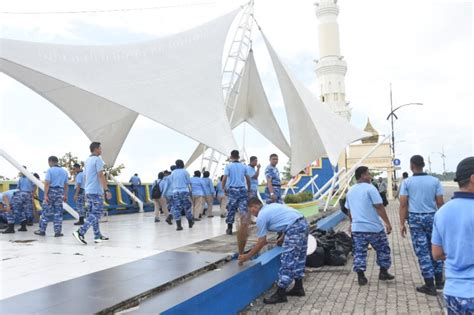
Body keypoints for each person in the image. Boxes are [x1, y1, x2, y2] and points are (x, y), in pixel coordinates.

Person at [238, 198, 309, 304]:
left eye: (251, 210)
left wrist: (246, 256)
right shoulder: (272, 206)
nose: (251, 213)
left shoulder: (261, 216)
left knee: (288, 260)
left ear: (255, 206)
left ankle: (280, 294)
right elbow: (288, 218)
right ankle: (298, 288)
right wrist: (283, 236)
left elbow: (261, 242)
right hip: (303, 223)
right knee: (299, 258)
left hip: (294, 229)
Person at [432, 157, 474, 314]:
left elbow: (436, 254)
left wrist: (458, 254)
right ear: (473, 178)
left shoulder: (442, 212)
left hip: (453, 293)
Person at [399, 155, 444, 295]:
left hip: (416, 219)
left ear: (412, 166)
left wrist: (401, 223)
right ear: (423, 165)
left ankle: (429, 285)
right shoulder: (435, 181)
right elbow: (440, 203)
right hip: (433, 217)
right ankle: (439, 281)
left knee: (423, 252)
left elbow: (403, 204)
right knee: (435, 248)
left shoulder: (407, 182)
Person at [345, 166, 395, 286]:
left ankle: (361, 277)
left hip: (357, 229)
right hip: (374, 228)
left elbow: (349, 211)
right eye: (368, 174)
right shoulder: (370, 188)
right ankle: (383, 272)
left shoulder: (350, 190)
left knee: (359, 252)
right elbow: (379, 206)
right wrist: (387, 223)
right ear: (362, 175)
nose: (370, 176)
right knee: (383, 249)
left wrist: (351, 224)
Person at [73, 142, 112, 245]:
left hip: (88, 190)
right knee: (97, 213)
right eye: (100, 148)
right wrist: (106, 189)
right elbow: (100, 175)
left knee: (92, 213)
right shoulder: (98, 160)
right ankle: (80, 232)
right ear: (96, 149)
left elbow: (86, 177)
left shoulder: (87, 160)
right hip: (95, 191)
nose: (101, 150)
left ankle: (97, 235)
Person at [34, 156, 69, 237]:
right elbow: (66, 185)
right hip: (60, 192)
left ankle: (42, 230)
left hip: (51, 192)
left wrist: (45, 195)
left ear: (50, 161)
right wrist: (65, 195)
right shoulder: (64, 172)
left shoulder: (50, 170)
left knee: (45, 212)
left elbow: (47, 183)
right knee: (58, 213)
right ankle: (57, 232)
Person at [221, 150, 251, 236]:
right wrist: (248, 190)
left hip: (232, 190)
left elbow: (224, 178)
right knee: (243, 210)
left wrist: (223, 188)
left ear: (231, 157)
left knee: (231, 209)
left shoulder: (228, 166)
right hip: (242, 190)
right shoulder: (244, 166)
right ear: (238, 157)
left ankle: (229, 228)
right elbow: (248, 179)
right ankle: (244, 229)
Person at [169, 160, 194, 231]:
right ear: (182, 164)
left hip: (175, 192)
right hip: (184, 191)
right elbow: (189, 182)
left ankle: (179, 226)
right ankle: (190, 222)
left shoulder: (173, 172)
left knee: (176, 208)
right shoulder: (185, 171)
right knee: (187, 207)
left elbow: (171, 182)